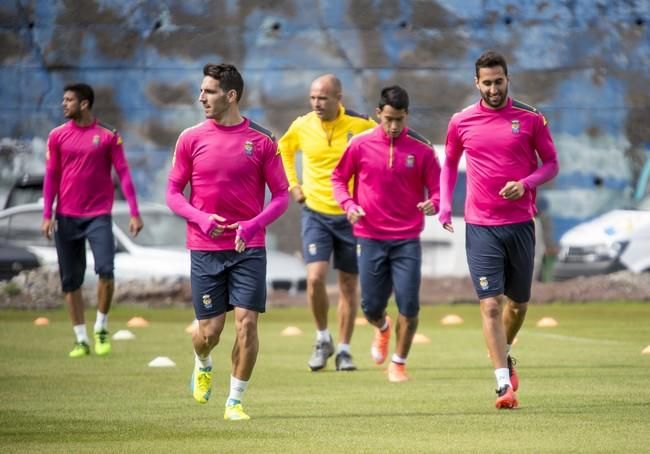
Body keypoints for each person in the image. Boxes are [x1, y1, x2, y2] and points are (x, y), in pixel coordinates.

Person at [166, 63, 289, 421]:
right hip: (205, 249)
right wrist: (203, 219)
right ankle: (202, 363)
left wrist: (252, 226)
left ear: (230, 95)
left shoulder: (263, 140)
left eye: (209, 91)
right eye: (201, 90)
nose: (200, 97)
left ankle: (234, 401)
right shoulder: (190, 137)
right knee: (210, 332)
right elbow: (173, 194)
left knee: (247, 323)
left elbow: (281, 196)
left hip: (248, 249)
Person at [439, 51, 559, 409]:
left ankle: (504, 354)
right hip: (480, 226)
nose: (493, 88)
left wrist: (525, 183)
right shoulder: (460, 122)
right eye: (487, 82)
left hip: (520, 223)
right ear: (476, 83)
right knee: (490, 304)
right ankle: (502, 386)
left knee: (518, 305)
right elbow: (448, 165)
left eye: (499, 81)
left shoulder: (531, 118)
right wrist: (445, 205)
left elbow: (551, 164)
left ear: (508, 80)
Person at [332, 85, 441, 382]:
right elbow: (339, 179)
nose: (393, 127)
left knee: (409, 304)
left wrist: (434, 203)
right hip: (369, 237)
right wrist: (348, 204)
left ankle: (399, 363)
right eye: (388, 119)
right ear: (379, 113)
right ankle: (382, 328)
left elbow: (438, 188)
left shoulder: (422, 150)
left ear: (407, 116)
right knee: (370, 307)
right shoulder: (360, 145)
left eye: (400, 120)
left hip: (407, 239)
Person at [279, 75, 376, 372]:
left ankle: (345, 350)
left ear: (338, 97)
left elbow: (385, 145)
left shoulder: (362, 125)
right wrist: (293, 185)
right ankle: (323, 338)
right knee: (315, 277)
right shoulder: (302, 124)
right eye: (313, 98)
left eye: (322, 98)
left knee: (348, 284)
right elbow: (284, 149)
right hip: (316, 213)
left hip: (351, 216)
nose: (316, 104)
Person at [42, 83, 143, 358]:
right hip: (66, 216)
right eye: (63, 99)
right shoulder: (57, 136)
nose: (64, 104)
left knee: (106, 272)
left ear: (84, 104)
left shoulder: (108, 136)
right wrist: (47, 214)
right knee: (70, 281)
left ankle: (100, 326)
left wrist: (134, 212)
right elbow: (51, 176)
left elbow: (123, 173)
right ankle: (80, 339)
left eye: (69, 100)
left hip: (99, 216)